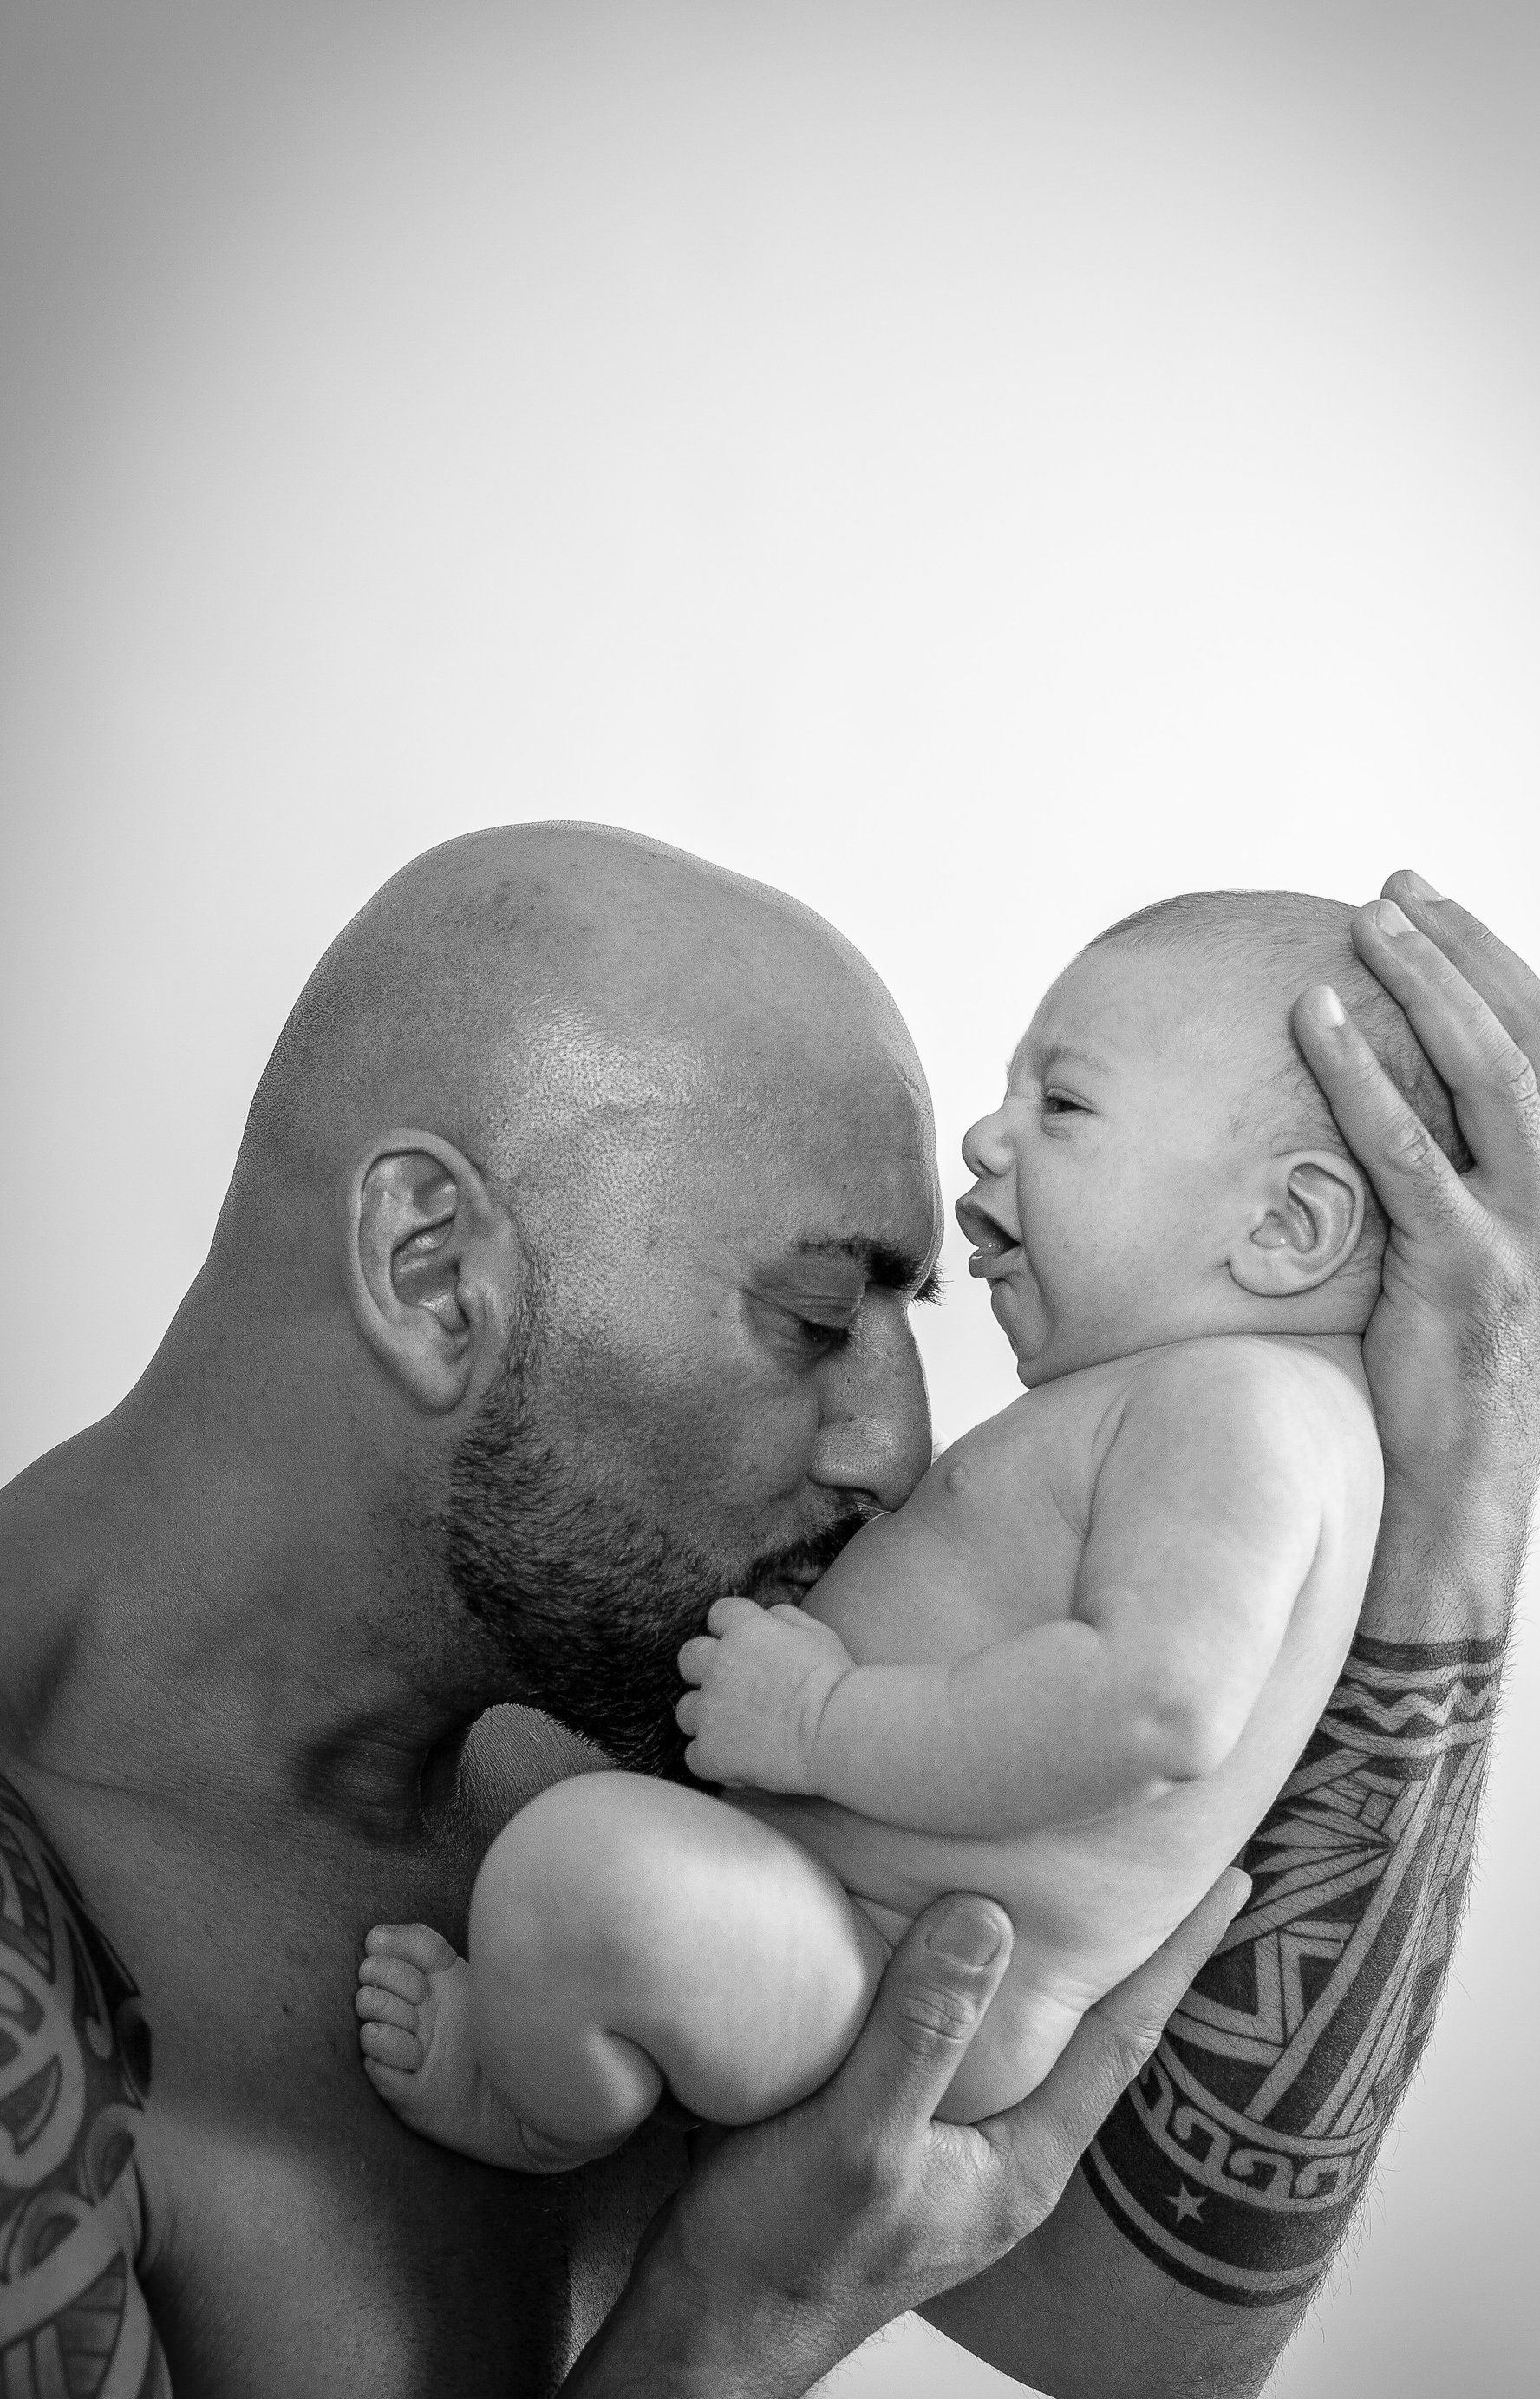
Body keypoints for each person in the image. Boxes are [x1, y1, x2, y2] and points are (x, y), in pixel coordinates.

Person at [0, 825, 1540, 2399]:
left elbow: (1159, 2337)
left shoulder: (598, 1715)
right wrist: (728, 2329)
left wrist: (1457, 1468)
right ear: (433, 1271)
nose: (899, 1456)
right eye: (816, 1320)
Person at [357, 889, 1427, 2163]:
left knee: (576, 1872)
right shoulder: (1208, 1406)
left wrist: (824, 1724)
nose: (984, 1138)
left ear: (1287, 1226)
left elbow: (1156, 1710)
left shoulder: (1244, 1406)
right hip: (833, 1911)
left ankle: (537, 2108)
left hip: (885, 1949)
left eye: (1063, 1105)